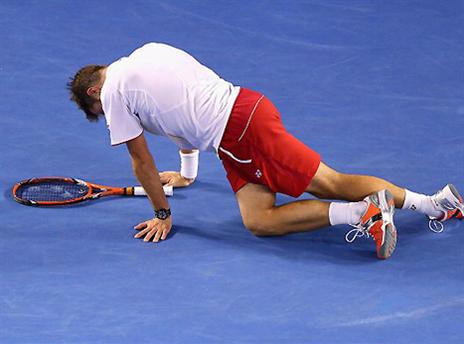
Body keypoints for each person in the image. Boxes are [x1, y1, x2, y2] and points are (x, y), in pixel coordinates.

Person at [67, 42, 463, 259]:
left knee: (331, 184)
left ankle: (394, 208)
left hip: (240, 133)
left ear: (94, 92)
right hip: (243, 116)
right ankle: (426, 205)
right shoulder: (148, 54)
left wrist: (163, 214)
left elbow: (141, 160)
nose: (108, 118)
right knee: (259, 221)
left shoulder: (115, 94)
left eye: (99, 113)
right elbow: (178, 116)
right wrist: (188, 173)